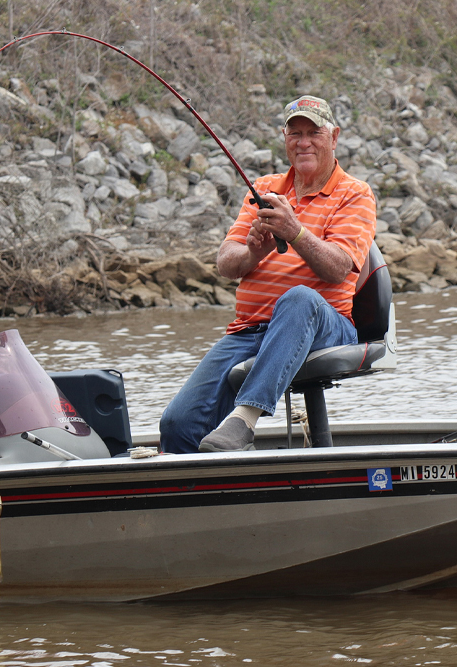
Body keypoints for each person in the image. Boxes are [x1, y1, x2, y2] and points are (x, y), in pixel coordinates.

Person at [159, 95, 377, 453]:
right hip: (249, 329)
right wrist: (251, 253)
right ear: (284, 138)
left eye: (314, 133)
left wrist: (295, 232)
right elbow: (225, 264)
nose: (303, 142)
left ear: (334, 136)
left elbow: (338, 269)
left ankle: (242, 422)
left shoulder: (354, 194)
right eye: (295, 134)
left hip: (326, 323)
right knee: (178, 425)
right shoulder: (265, 189)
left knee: (300, 298)